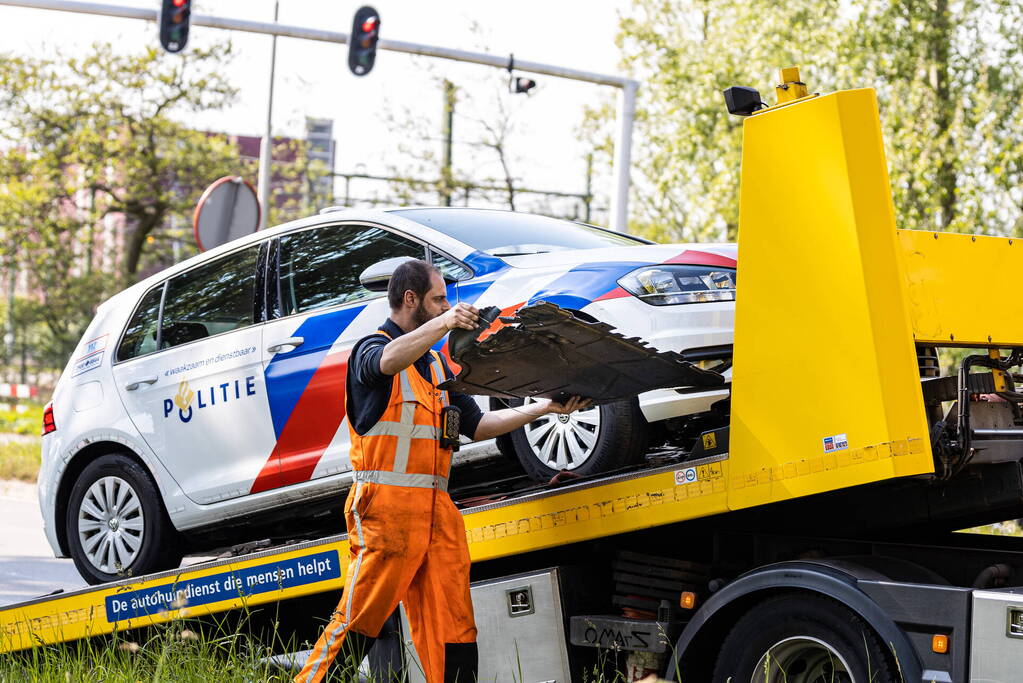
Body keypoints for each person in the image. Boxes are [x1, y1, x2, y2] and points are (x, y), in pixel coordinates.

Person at [295, 259, 590, 683]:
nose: (446, 306)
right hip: (386, 511)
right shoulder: (371, 349)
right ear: (409, 299)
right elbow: (387, 362)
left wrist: (545, 408)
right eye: (438, 300)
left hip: (437, 511)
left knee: (454, 627)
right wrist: (446, 323)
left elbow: (477, 426)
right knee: (359, 621)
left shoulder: (436, 367)